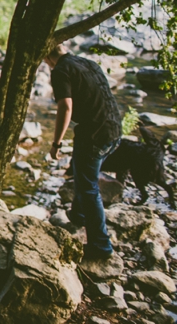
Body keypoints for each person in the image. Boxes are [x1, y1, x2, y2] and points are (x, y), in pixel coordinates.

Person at [44, 44, 122, 260]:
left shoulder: (60, 71)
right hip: (114, 129)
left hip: (94, 134)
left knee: (88, 188)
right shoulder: (87, 62)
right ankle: (78, 215)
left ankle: (101, 246)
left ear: (46, 57)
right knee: (81, 170)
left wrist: (56, 143)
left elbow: (65, 107)